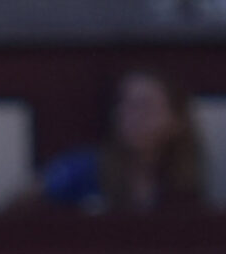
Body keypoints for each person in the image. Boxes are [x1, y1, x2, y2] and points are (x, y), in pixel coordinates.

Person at [30, 69, 207, 214]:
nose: (132, 116)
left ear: (176, 121)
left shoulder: (183, 178)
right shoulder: (84, 168)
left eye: (145, 106)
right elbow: (23, 203)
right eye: (126, 105)